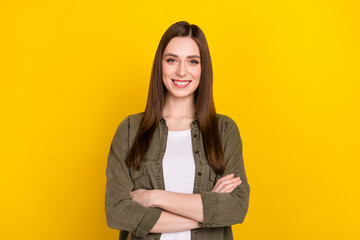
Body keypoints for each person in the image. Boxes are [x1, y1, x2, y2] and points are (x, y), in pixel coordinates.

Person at [105, 21, 250, 240]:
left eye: (192, 61)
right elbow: (117, 212)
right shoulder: (129, 130)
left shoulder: (224, 130)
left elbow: (236, 206)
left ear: (203, 68)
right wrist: (209, 208)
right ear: (160, 65)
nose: (181, 71)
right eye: (171, 60)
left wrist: (154, 197)